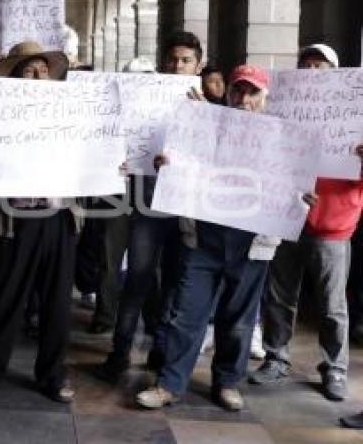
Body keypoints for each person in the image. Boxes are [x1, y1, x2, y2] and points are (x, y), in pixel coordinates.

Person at [135, 65, 307, 412]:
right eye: (238, 91)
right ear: (227, 93)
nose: (244, 99)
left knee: (239, 320)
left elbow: (295, 185)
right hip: (204, 238)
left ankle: (227, 382)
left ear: (264, 97)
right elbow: (181, 161)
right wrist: (167, 163)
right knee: (187, 314)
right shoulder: (205, 126)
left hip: (252, 241)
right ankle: (170, 384)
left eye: (252, 92)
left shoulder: (283, 138)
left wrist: (303, 198)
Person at [0, 41, 82, 403]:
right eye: (28, 70)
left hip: (58, 218)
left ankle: (53, 376)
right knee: (6, 297)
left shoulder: (70, 117)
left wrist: (107, 168)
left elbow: (89, 158)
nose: (37, 76)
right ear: (15, 78)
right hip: (16, 219)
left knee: (57, 303)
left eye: (42, 70)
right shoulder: (0, 118)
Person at [252, 44, 363, 403]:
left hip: (333, 224)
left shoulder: (354, 118)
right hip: (288, 216)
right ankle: (276, 357)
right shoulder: (285, 111)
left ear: (335, 72)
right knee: (280, 296)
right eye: (306, 65)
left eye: (321, 66)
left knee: (332, 305)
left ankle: (335, 369)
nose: (313, 72)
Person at [97, 31, 203, 380]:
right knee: (138, 278)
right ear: (162, 63)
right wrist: (119, 157)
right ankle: (120, 351)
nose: (178, 65)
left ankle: (161, 349)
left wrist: (202, 115)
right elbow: (120, 135)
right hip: (148, 200)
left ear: (198, 65)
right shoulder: (144, 98)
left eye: (186, 60)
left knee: (175, 282)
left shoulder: (209, 109)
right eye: (173, 59)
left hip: (186, 209)